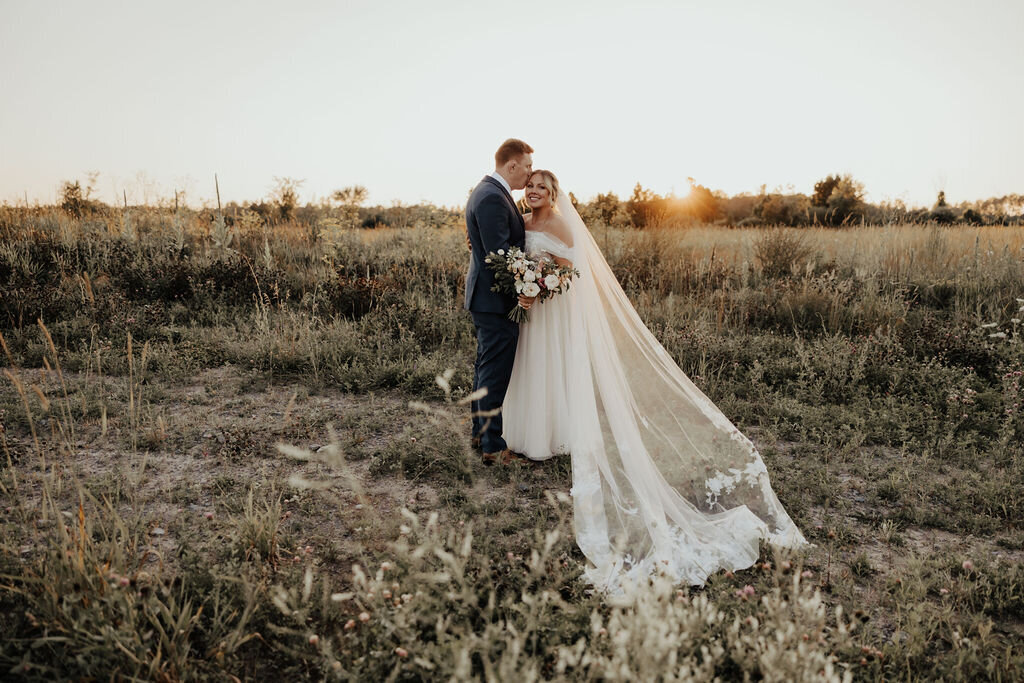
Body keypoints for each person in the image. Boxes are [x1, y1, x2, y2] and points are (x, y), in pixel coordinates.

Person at [502, 170, 808, 593]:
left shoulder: (561, 222)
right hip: (530, 306)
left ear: (553, 193)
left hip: (552, 308)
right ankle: (534, 433)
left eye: (542, 187)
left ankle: (553, 435)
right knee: (533, 369)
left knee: (554, 367)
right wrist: (525, 280)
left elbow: (573, 268)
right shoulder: (523, 220)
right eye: (530, 186)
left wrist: (544, 281)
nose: (534, 191)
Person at [464, 138, 533, 465]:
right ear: (512, 165)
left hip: (484, 298)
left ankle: (481, 435)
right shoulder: (492, 196)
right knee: (494, 374)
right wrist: (526, 287)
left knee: (485, 369)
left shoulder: (487, 191)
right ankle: (492, 446)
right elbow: (500, 256)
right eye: (528, 166)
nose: (529, 174)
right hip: (495, 299)